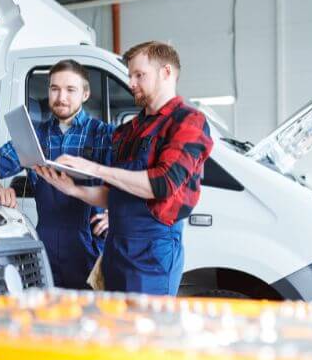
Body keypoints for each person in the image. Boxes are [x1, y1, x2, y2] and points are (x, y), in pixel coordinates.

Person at [35, 42, 213, 295]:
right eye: (130, 75)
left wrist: (94, 169)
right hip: (115, 250)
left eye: (139, 75)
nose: (131, 83)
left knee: (146, 330)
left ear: (166, 73)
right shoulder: (129, 130)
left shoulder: (187, 122)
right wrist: (73, 189)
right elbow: (116, 194)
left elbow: (162, 184)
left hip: (152, 253)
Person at [0, 59, 113, 289]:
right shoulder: (35, 136)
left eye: (70, 90)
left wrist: (119, 212)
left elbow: (136, 178)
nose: (61, 97)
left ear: (85, 94)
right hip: (45, 248)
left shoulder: (103, 135)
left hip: (89, 250)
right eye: (55, 89)